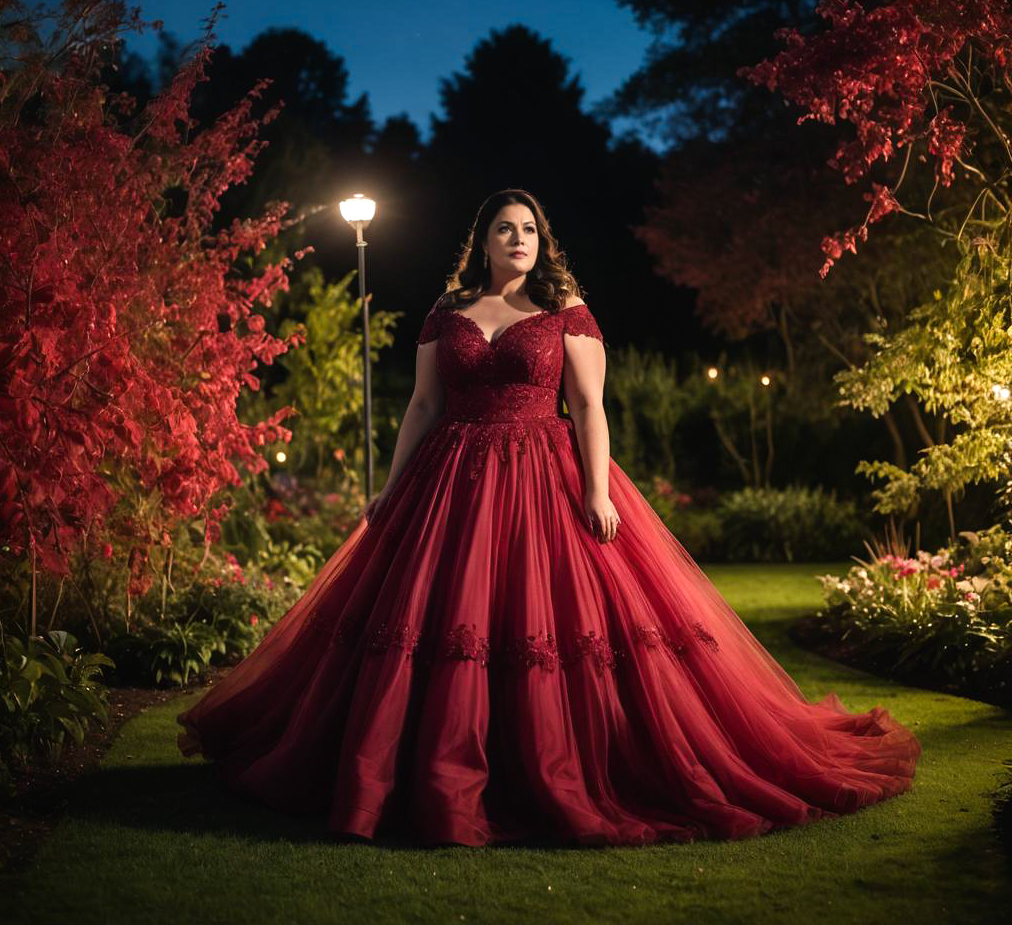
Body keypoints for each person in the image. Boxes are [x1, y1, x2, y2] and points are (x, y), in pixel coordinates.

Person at [176, 188, 921, 847]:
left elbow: (591, 408)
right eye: (505, 228)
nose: (518, 239)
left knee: (550, 622)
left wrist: (597, 492)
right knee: (432, 623)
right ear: (484, 240)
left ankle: (550, 769)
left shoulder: (567, 312)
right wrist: (390, 485)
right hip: (451, 482)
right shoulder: (448, 312)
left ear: (543, 241)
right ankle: (420, 772)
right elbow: (423, 405)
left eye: (529, 229)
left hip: (545, 476)